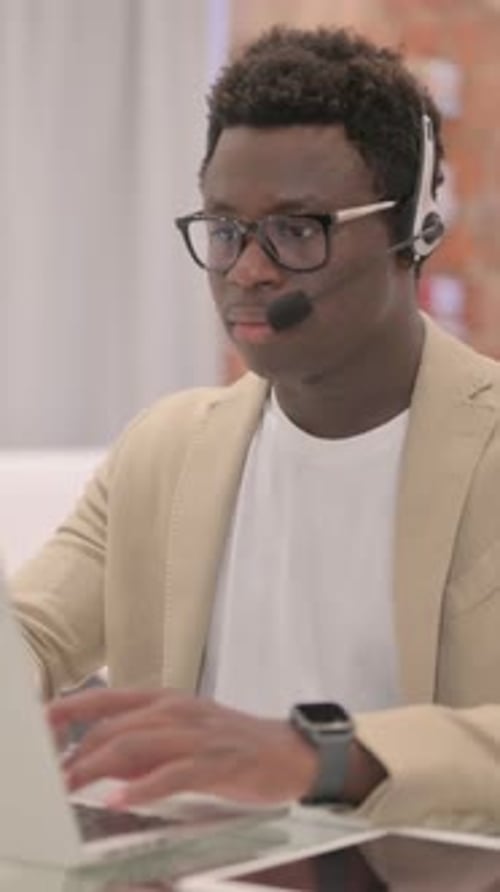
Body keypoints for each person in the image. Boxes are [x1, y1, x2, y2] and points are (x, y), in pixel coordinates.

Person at [12, 25, 500, 832]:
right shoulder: (165, 451)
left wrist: (323, 756)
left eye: (298, 230)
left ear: (412, 233)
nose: (247, 269)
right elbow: (26, 632)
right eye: (226, 229)